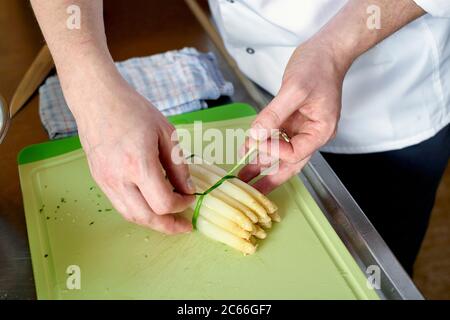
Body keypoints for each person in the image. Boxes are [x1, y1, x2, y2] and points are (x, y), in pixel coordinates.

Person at [30, 0, 449, 274]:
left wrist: (335, 49)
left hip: (392, 94)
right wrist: (89, 87)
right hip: (251, 70)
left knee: (371, 266)